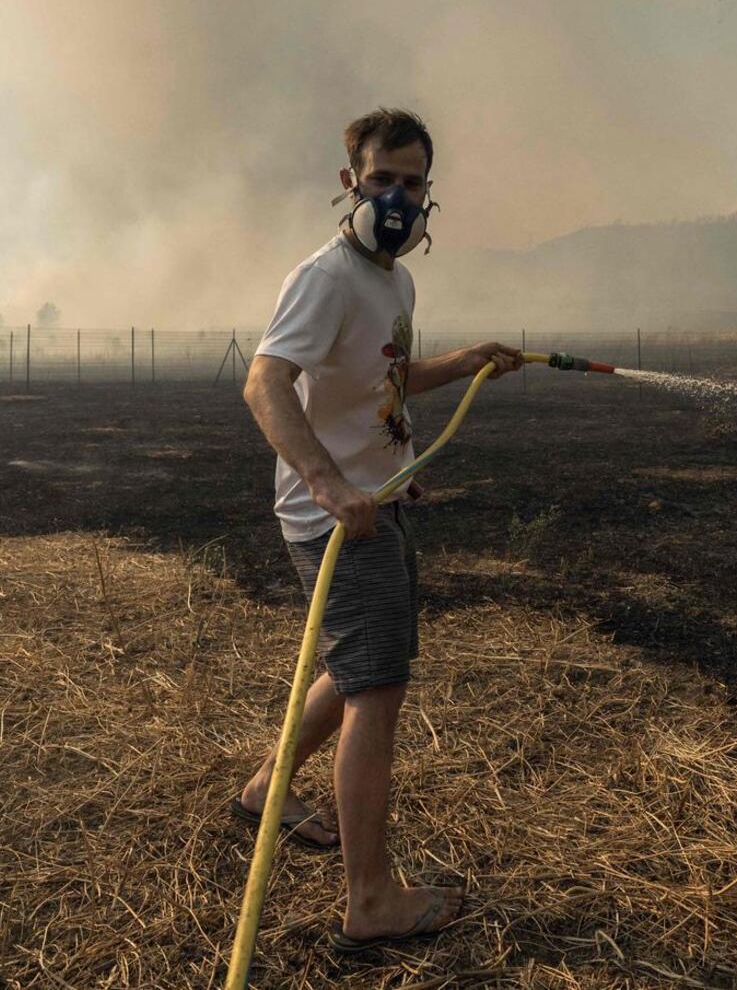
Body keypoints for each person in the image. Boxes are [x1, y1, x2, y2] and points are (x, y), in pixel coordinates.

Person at [235, 106, 523, 951]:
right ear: (348, 183)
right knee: (377, 691)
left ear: (429, 192)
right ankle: (370, 901)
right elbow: (264, 383)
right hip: (336, 520)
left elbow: (380, 382)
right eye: (381, 180)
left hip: (378, 500)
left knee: (362, 665)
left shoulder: (395, 281)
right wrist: (327, 484)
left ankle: (265, 790)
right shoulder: (325, 277)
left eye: (412, 183)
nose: (396, 198)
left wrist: (460, 366)